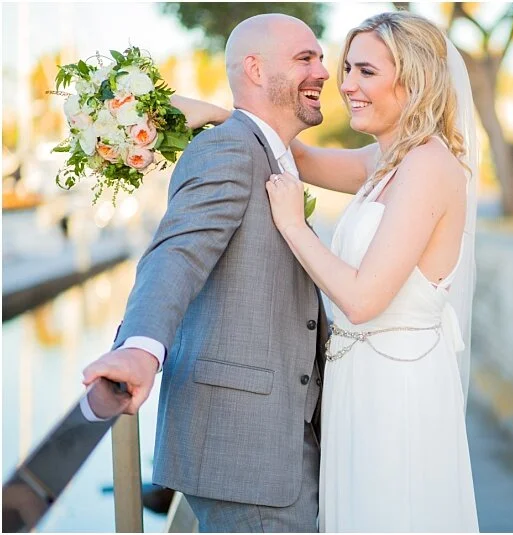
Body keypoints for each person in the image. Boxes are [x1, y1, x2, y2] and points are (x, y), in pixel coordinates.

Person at [81, 14, 331, 532]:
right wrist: (141, 346)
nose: (323, 72)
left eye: (320, 58)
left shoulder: (270, 152)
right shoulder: (228, 148)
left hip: (281, 439)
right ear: (256, 70)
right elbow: (177, 254)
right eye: (305, 58)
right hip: (245, 454)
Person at [264, 11, 480, 532]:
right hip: (359, 380)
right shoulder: (384, 160)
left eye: (366, 71)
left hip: (398, 389)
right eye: (347, 69)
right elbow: (293, 153)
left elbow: (363, 300)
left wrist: (294, 226)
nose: (346, 85)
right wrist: (193, 114)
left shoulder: (428, 165)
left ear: (415, 79)